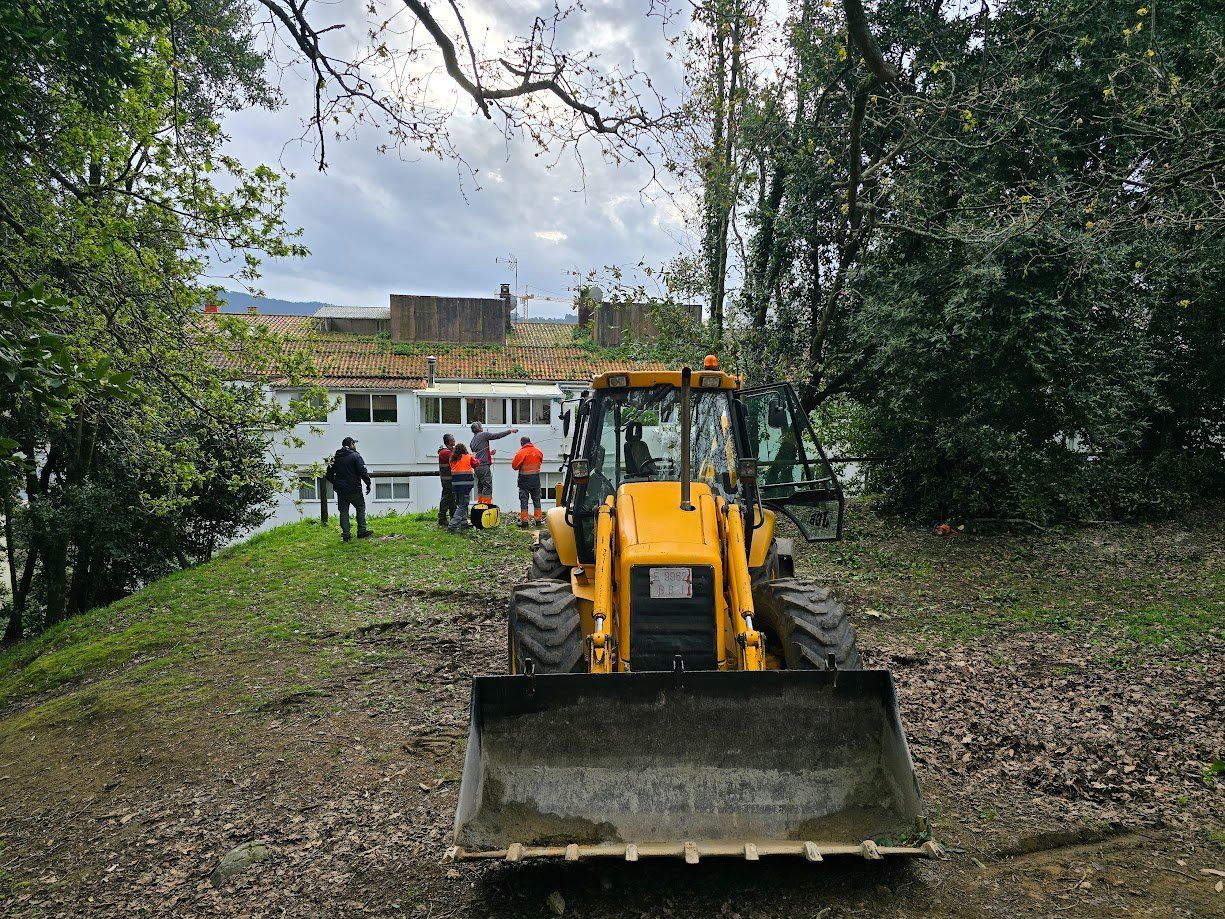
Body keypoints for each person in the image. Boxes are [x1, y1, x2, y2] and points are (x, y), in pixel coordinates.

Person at [326, 436, 372, 541]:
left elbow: (329, 475)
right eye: (354, 444)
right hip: (354, 488)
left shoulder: (335, 457)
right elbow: (362, 471)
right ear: (351, 444)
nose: (355, 446)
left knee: (343, 511)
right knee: (360, 507)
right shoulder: (356, 456)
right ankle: (361, 531)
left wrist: (337, 483)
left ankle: (346, 534)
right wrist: (368, 483)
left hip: (341, 490)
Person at [469, 421, 518, 505]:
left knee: (481, 485)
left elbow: (478, 453)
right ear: (479, 428)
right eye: (481, 426)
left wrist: (489, 453)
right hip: (484, 466)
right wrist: (510, 431)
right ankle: (486, 506)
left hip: (477, 467)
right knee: (487, 486)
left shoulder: (472, 441)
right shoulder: (483, 435)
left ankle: (480, 505)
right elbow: (497, 436)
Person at [511, 435, 545, 528]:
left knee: (524, 501)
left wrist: (515, 458)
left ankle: (524, 521)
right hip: (536, 480)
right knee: (537, 500)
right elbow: (540, 461)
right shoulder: (538, 451)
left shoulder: (521, 452)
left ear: (522, 443)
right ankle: (538, 520)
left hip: (524, 481)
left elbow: (514, 466)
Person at [447, 442, 479, 532]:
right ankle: (452, 525)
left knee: (461, 504)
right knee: (463, 505)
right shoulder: (468, 457)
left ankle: (464, 524)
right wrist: (474, 456)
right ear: (464, 449)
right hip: (465, 485)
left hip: (456, 485)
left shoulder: (452, 459)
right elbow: (476, 464)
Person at [437, 433, 456, 527]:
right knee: (446, 498)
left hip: (448, 479)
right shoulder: (446, 452)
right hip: (448, 480)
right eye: (453, 439)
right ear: (449, 441)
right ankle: (442, 518)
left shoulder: (446, 451)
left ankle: (453, 518)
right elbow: (455, 460)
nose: (454, 440)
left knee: (452, 499)